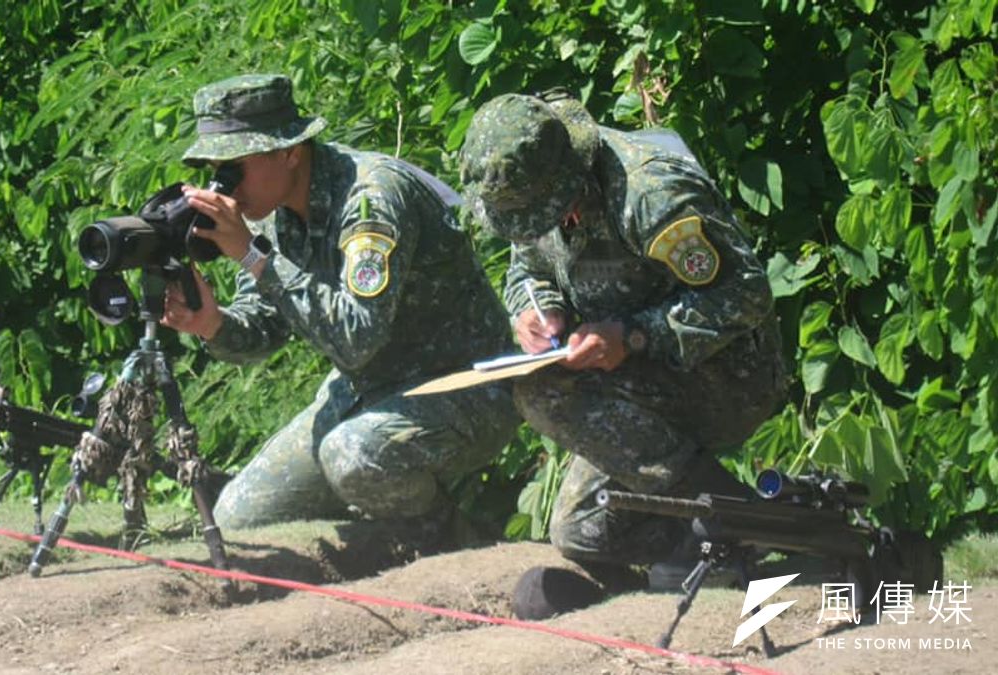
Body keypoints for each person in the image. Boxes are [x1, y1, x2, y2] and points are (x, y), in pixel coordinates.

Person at [458, 91, 787, 618]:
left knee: (541, 391)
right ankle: (709, 550)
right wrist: (537, 311)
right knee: (581, 533)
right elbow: (526, 268)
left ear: (566, 177)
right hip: (634, 385)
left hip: (723, 378)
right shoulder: (538, 194)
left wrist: (634, 335)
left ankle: (740, 520)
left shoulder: (650, 192)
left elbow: (745, 294)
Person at [160, 74, 519, 536]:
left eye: (235, 165)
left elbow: (355, 340)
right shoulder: (266, 213)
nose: (224, 184)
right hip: (369, 389)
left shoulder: (372, 198)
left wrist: (253, 257)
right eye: (215, 167)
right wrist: (213, 325)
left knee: (352, 455)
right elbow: (264, 329)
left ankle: (449, 542)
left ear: (289, 151)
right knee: (238, 518)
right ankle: (373, 529)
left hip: (465, 385)